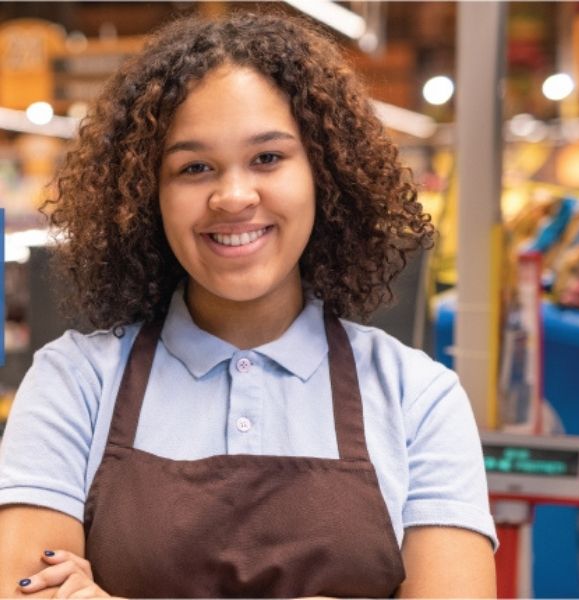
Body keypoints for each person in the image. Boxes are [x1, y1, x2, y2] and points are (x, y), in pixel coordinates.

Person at [0, 9, 497, 599]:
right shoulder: (73, 382)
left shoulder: (418, 398)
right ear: (145, 195)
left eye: (267, 158)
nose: (233, 196)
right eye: (194, 167)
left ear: (323, 174)